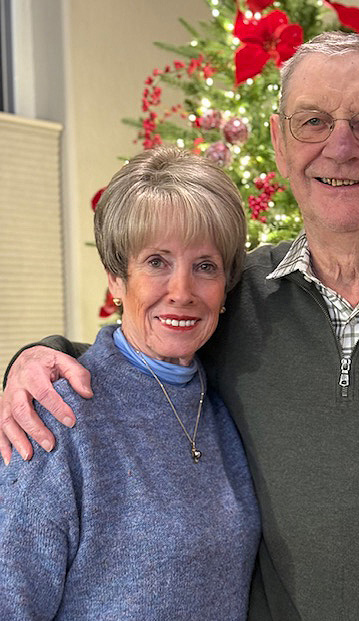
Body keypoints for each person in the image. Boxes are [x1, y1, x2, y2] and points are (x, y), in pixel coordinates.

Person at [2, 31, 359, 620]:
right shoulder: (242, 297)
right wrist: (39, 356)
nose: (341, 146)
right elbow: (150, 348)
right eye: (312, 121)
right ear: (280, 144)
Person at [0, 146, 260, 619]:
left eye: (205, 266)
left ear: (226, 287)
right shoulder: (56, 419)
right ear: (116, 280)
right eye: (157, 261)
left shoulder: (225, 409)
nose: (181, 291)